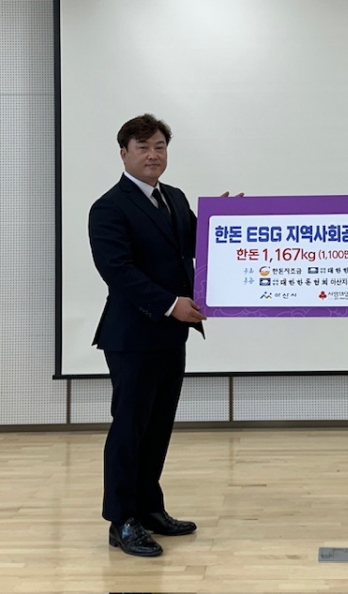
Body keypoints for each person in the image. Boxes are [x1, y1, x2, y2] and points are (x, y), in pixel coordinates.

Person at [88, 114, 207, 557]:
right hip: (133, 335)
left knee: (158, 426)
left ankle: (149, 508)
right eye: (143, 147)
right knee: (130, 428)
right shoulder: (109, 207)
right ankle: (121, 520)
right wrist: (171, 304)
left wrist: (228, 223)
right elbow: (118, 272)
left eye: (159, 146)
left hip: (172, 335)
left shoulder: (173, 197)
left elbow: (198, 244)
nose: (153, 155)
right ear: (124, 154)